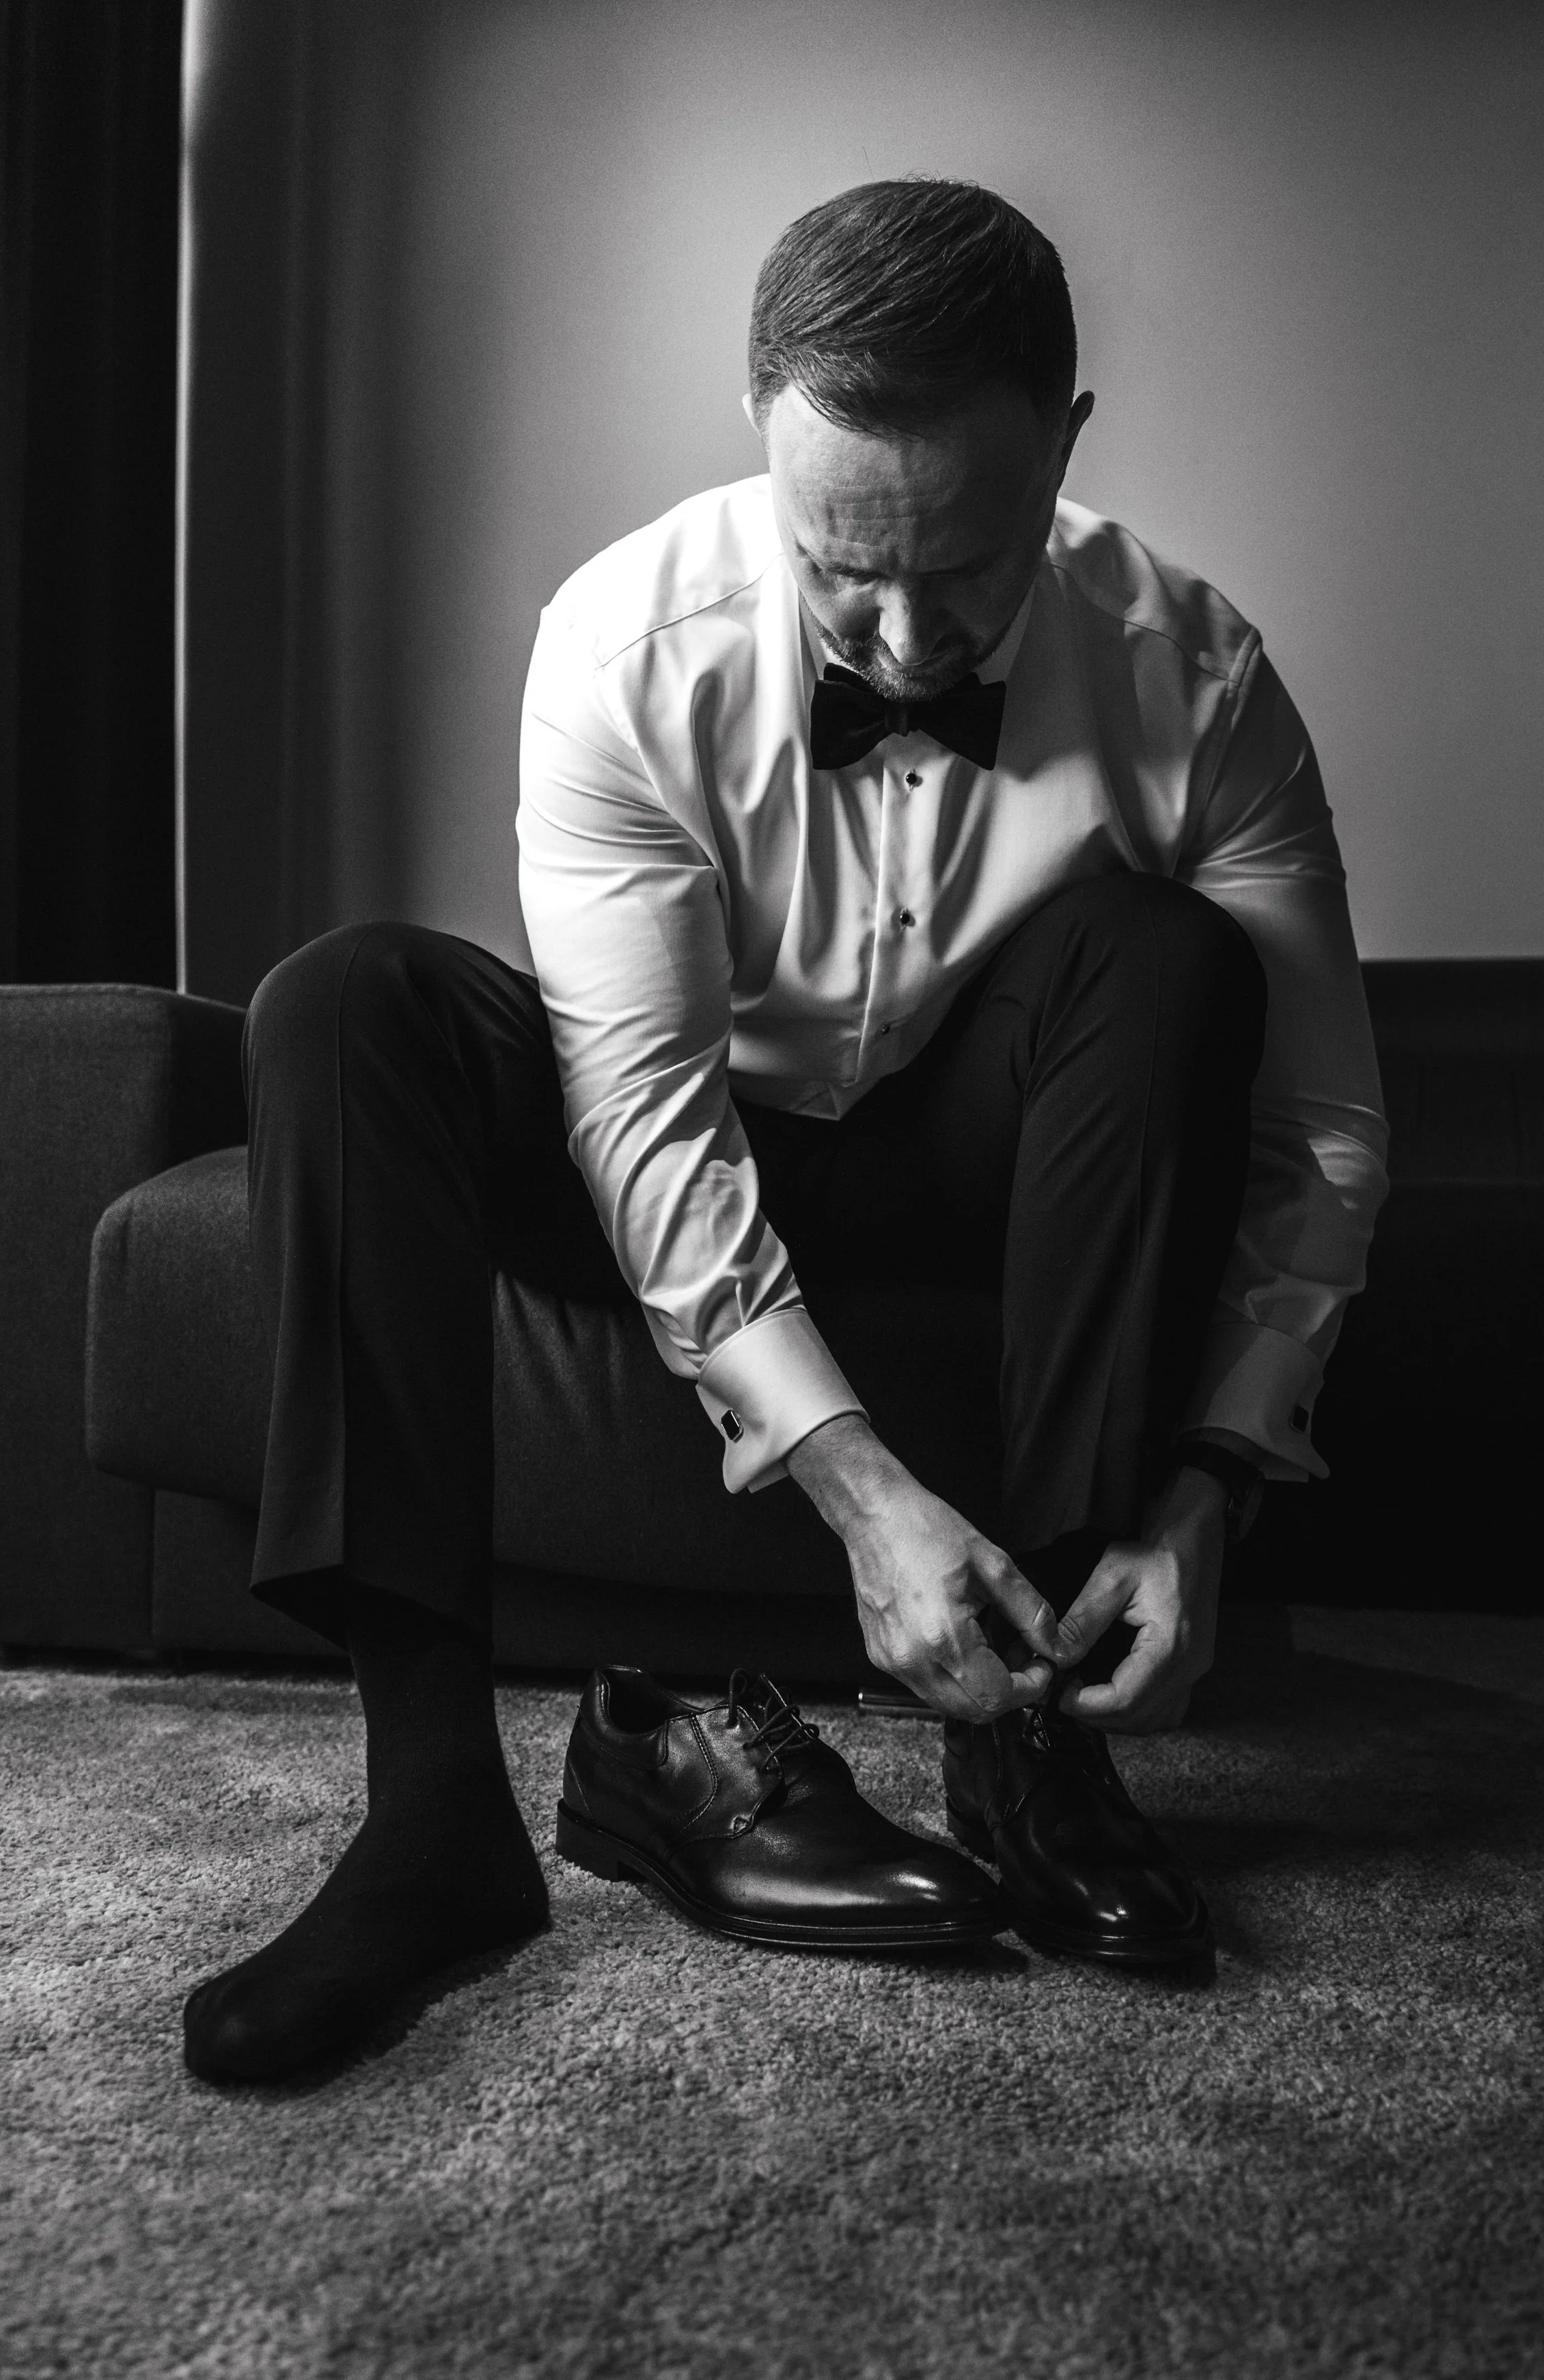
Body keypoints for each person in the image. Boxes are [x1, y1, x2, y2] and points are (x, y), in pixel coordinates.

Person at [182, 178, 1388, 2086]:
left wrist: (1209, 1494)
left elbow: (1320, 1128)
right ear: (763, 430)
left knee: (1172, 959)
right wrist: (859, 1488)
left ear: (1066, 442)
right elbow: (643, 1112)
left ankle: (1035, 1744)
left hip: (986, 1159)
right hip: (683, 1139)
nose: (904, 642)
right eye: (843, 569)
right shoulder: (623, 644)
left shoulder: (1198, 674)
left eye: (965, 566)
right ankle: (432, 1822)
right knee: (344, 1004)